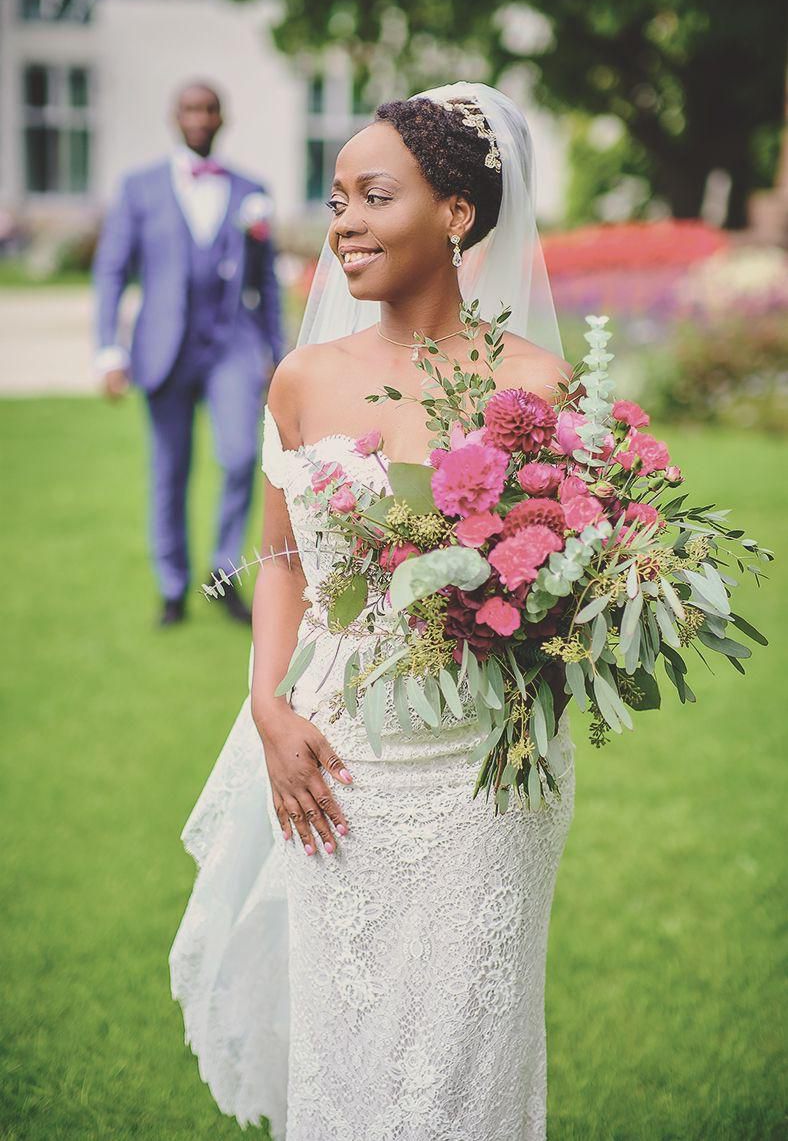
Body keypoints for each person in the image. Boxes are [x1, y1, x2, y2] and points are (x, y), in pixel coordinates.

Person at [169, 82, 576, 1140]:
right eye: (336, 197)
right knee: (347, 1047)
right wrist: (267, 704)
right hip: (338, 755)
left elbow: (561, 577)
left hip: (485, 762)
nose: (342, 223)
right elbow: (279, 557)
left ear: (454, 213)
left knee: (467, 1054)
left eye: (373, 195)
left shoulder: (532, 385)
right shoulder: (301, 378)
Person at [92, 81, 284, 627]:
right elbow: (110, 272)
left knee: (239, 457)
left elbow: (266, 282)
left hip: (232, 347)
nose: (199, 117)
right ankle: (172, 587)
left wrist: (279, 351)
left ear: (223, 118)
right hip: (162, 349)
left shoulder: (252, 190)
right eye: (190, 109)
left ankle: (222, 574)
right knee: (169, 470)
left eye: (208, 108)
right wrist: (108, 351)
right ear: (174, 117)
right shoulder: (138, 188)